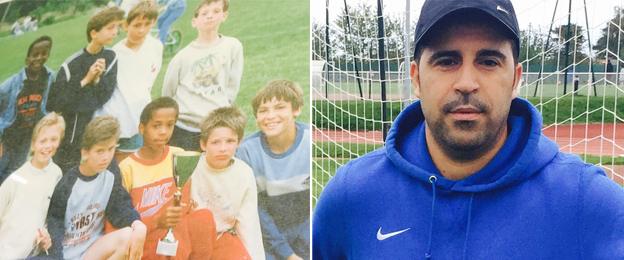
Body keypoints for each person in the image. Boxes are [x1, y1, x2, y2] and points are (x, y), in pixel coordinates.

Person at [313, 0, 624, 259]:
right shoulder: (351, 196)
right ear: (416, 78)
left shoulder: (591, 204)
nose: (466, 83)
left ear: (515, 79)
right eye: (447, 61)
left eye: (488, 61)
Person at [119, 97, 216, 259]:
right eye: (156, 125)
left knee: (203, 218)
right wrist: (156, 221)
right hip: (146, 234)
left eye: (169, 125)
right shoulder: (127, 167)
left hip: (175, 232)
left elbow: (183, 205)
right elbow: (122, 222)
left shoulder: (178, 155)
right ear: (142, 128)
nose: (163, 131)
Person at [45, 116, 146, 259]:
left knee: (129, 234)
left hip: (93, 248)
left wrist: (138, 223)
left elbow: (119, 206)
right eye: (100, 151)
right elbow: (55, 224)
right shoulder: (68, 183)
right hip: (67, 252)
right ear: (85, 152)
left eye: (110, 149)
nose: (106, 157)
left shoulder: (111, 173)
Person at [237, 80, 310, 260]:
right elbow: (257, 211)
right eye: (263, 111)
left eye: (279, 107)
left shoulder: (310, 142)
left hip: (306, 232)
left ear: (296, 110)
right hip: (267, 237)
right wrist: (288, 255)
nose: (271, 116)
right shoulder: (246, 151)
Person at [47, 7, 124, 172]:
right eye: (110, 28)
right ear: (94, 33)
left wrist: (96, 81)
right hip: (71, 133)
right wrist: (86, 80)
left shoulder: (111, 57)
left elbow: (105, 95)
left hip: (95, 128)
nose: (115, 32)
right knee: (65, 171)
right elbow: (57, 104)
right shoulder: (71, 64)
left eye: (117, 27)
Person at [162, 0, 243, 152]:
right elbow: (168, 92)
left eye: (216, 12)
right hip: (185, 127)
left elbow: (233, 84)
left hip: (216, 125)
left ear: (224, 16)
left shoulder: (232, 46)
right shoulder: (183, 56)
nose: (210, 17)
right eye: (204, 13)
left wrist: (221, 108)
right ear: (194, 21)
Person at [190, 106, 264, 259]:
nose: (223, 149)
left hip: (222, 236)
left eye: (230, 141)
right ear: (203, 144)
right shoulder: (192, 168)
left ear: (239, 142)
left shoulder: (244, 173)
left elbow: (248, 223)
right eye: (215, 142)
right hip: (193, 237)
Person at [96, 1, 163, 162]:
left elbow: (149, 80)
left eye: (147, 24)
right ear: (125, 26)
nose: (142, 30)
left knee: (138, 163)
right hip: (119, 119)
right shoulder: (114, 54)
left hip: (140, 117)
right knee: (120, 164)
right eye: (137, 25)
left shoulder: (156, 46)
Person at [0, 112, 64, 258]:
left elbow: (50, 215)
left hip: (32, 253)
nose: (48, 146)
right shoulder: (15, 179)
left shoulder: (57, 174)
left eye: (53, 139)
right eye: (43, 141)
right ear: (33, 144)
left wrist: (46, 236)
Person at [0, 36, 54, 183]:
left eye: (44, 53)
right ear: (27, 59)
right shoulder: (13, 83)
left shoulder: (49, 77)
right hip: (8, 135)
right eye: (35, 55)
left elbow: (50, 103)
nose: (39, 58)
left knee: (14, 171)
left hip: (26, 135)